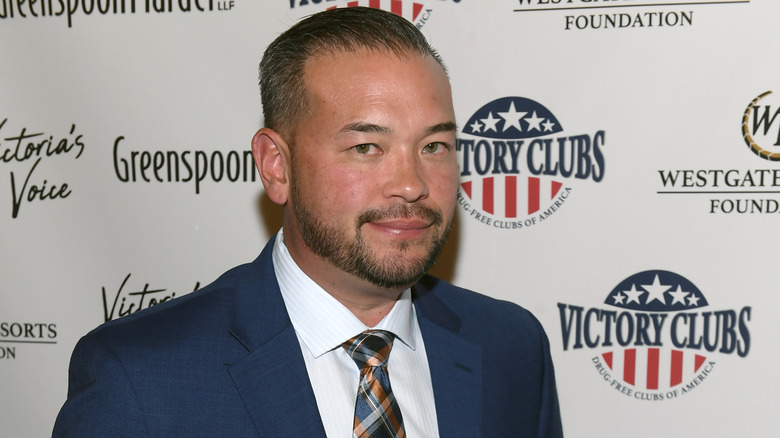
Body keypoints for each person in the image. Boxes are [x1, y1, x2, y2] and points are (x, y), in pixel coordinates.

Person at [53, 6, 563, 438]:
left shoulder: (511, 347)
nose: (411, 184)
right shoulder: (140, 380)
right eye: (367, 147)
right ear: (277, 165)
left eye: (434, 146)